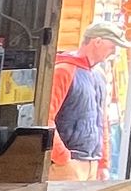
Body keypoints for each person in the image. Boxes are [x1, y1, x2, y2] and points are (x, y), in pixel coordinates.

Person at [50, 21, 127, 180]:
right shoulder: (64, 71)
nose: (114, 52)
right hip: (68, 163)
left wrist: (103, 163)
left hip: (92, 163)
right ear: (97, 42)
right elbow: (46, 118)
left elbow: (102, 121)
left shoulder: (99, 75)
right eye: (112, 46)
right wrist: (62, 157)